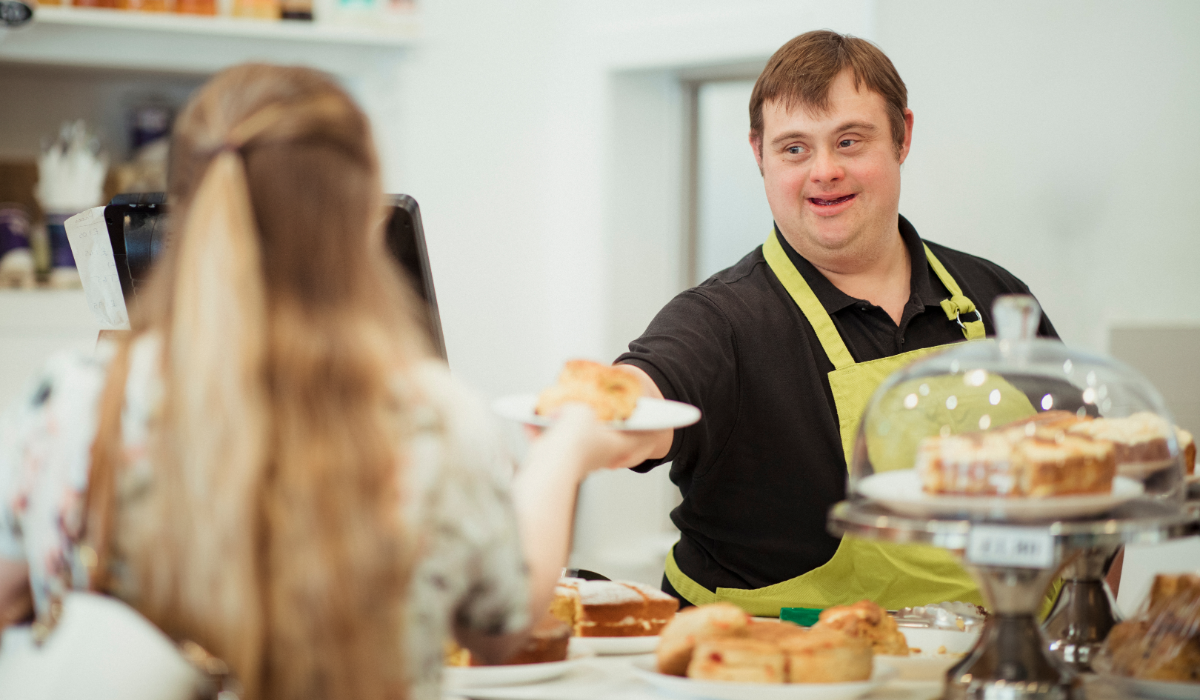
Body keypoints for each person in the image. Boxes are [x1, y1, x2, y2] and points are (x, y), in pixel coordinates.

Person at [0, 64, 641, 700]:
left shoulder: (77, 397)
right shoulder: (430, 415)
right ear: (366, 219)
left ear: (183, 210)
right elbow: (500, 627)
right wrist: (563, 454)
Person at [610, 30, 1058, 615]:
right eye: (794, 148)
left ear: (903, 137)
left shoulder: (995, 296)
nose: (824, 171)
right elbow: (641, 397)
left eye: (849, 141)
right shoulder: (720, 320)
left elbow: (1099, 494)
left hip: (995, 665)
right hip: (783, 669)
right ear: (759, 155)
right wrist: (593, 419)